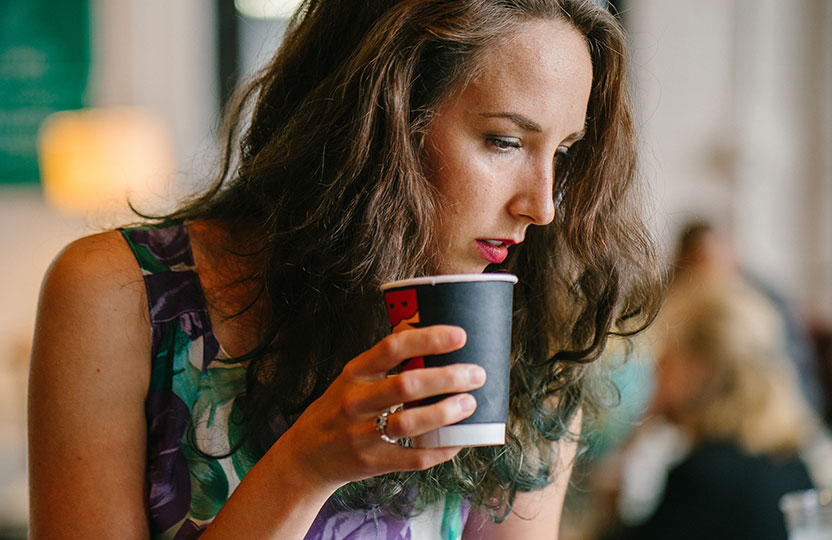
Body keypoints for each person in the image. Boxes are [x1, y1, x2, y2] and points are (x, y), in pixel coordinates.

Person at [27, 1, 661, 538]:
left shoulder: (531, 327)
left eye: (565, 152)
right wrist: (304, 467)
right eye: (504, 141)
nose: (543, 206)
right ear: (374, 115)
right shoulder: (120, 294)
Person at [604, 282, 816, 540]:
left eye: (666, 354)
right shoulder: (794, 465)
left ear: (697, 371)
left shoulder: (702, 479)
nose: (655, 368)